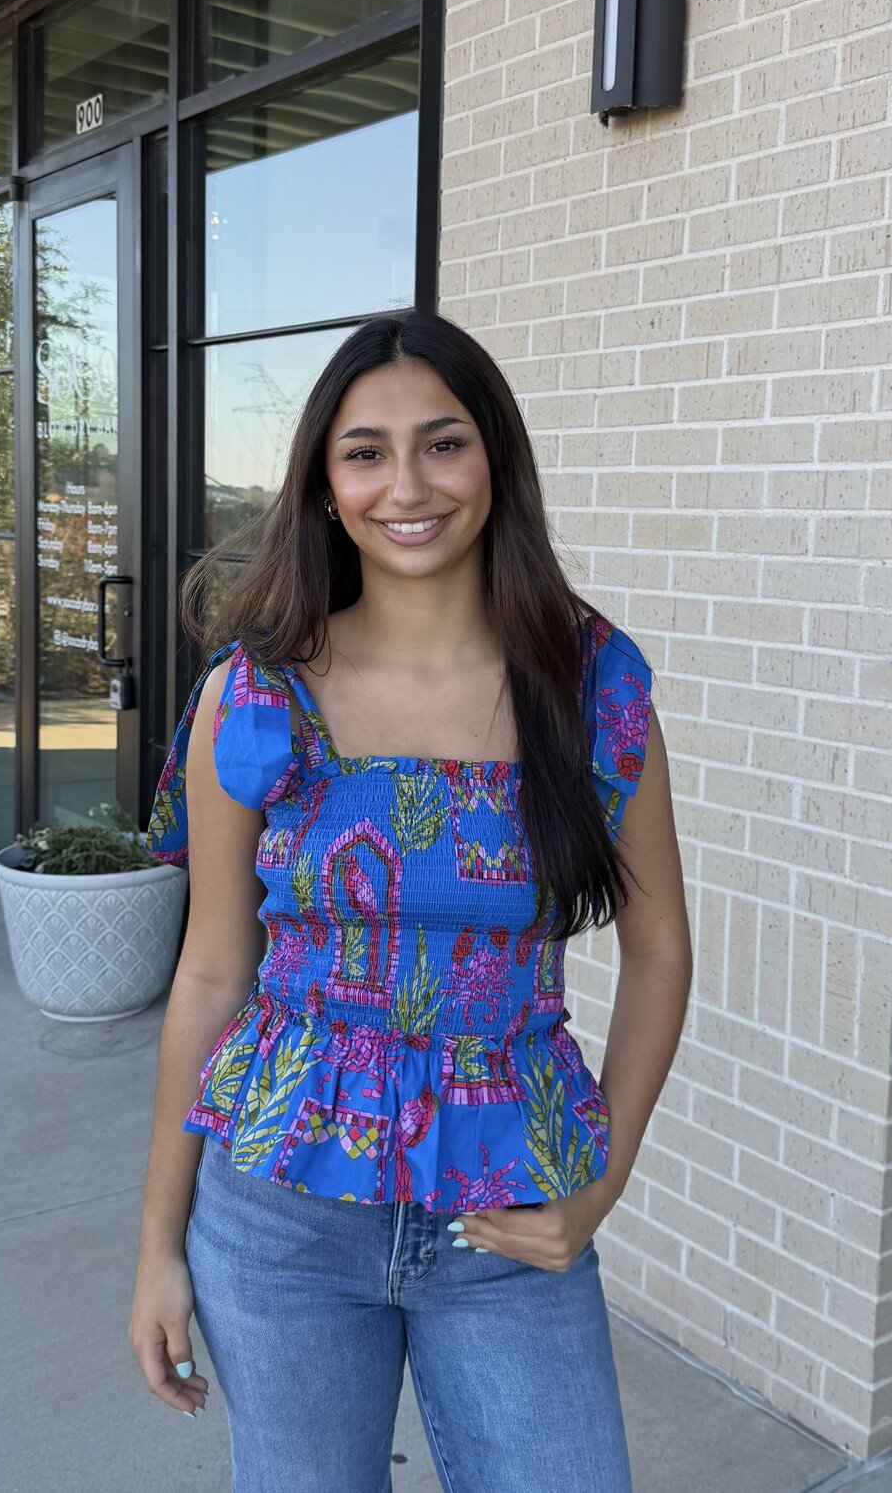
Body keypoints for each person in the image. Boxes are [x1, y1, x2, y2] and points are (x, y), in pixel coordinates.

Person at [129, 309, 692, 1492]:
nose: (406, 485)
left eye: (442, 443)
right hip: (277, 1211)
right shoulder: (256, 693)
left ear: (493, 458)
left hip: (509, 1209)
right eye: (364, 452)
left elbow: (656, 949)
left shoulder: (592, 682)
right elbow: (213, 971)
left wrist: (602, 1181)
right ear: (324, 487)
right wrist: (155, 1248)